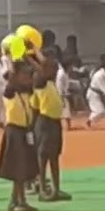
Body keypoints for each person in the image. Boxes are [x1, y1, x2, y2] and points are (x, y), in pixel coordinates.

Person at [0, 58, 39, 211]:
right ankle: (21, 201)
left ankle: (14, 200)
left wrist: (30, 57)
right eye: (24, 74)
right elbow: (12, 81)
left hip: (25, 131)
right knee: (18, 168)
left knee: (23, 167)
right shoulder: (10, 92)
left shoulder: (28, 92)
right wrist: (13, 61)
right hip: (14, 131)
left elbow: (39, 72)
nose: (28, 77)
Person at [33, 48, 70, 201]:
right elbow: (43, 67)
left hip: (55, 123)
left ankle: (56, 189)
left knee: (54, 157)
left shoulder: (51, 84)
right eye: (52, 68)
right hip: (44, 123)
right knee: (43, 157)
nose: (55, 71)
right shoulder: (40, 81)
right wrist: (35, 51)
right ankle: (42, 188)